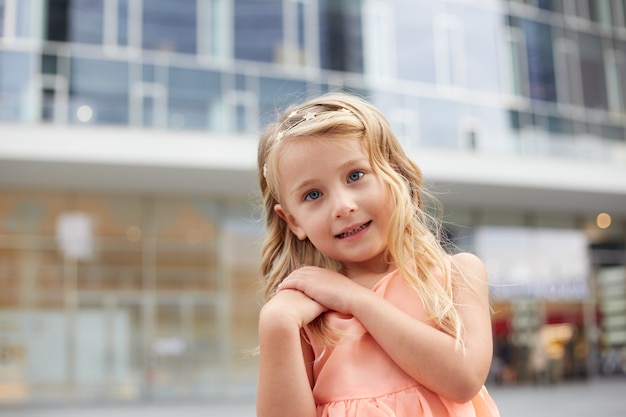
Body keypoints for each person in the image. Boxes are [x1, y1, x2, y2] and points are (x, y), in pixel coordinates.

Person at [256, 92, 500, 417]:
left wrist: (354, 298)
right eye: (313, 194)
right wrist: (277, 323)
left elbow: (464, 378)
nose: (343, 206)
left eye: (355, 175)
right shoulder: (305, 314)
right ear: (294, 221)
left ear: (395, 174)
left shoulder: (458, 273)